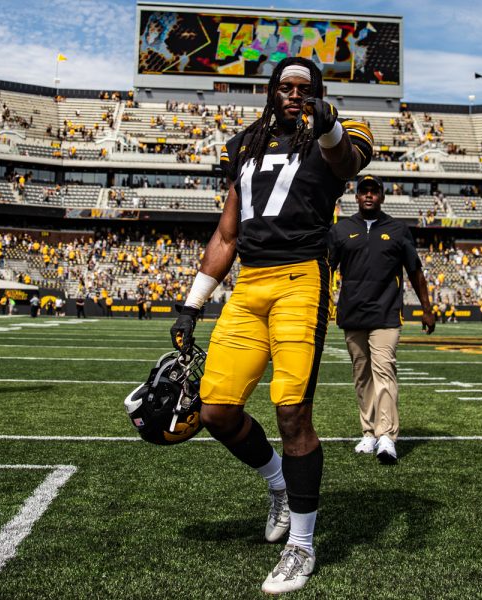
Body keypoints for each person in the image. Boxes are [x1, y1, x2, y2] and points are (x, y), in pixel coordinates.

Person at [168, 57, 373, 594]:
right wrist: (193, 303)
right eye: (286, 86)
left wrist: (325, 120)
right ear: (270, 91)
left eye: (305, 88)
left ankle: (301, 545)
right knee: (215, 409)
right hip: (249, 284)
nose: (294, 94)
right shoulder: (243, 144)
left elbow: (348, 163)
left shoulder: (337, 132)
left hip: (301, 281)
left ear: (319, 93)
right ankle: (278, 483)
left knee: (291, 410)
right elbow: (227, 232)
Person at [328, 174, 435, 464]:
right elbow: (326, 268)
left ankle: (387, 435)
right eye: (364, 191)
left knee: (384, 371)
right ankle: (369, 431)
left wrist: (426, 307)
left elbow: (415, 270)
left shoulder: (398, 230)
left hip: (386, 314)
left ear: (382, 197)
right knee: (362, 377)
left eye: (374, 191)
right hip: (352, 313)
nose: (369, 196)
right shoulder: (341, 230)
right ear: (357, 195)